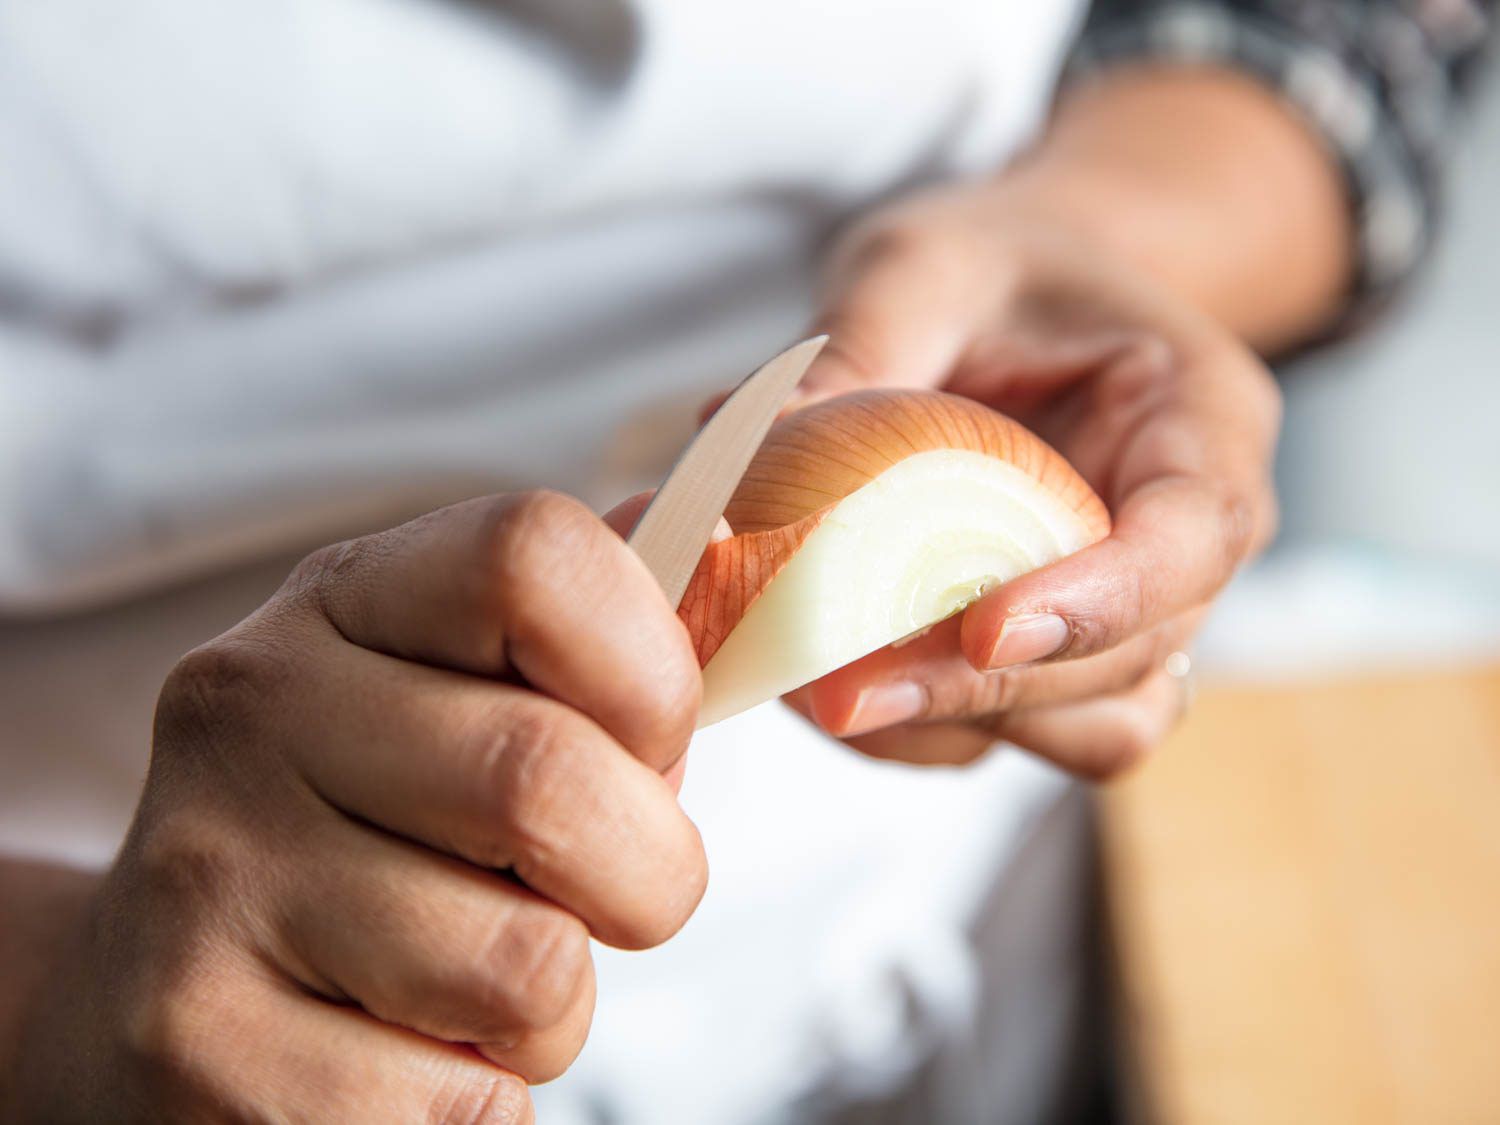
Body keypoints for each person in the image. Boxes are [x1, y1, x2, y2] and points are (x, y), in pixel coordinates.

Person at [0, 0, 1490, 1120]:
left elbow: (1357, 32)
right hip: (129, 909)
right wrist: (51, 999)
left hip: (970, 914)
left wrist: (1092, 237)